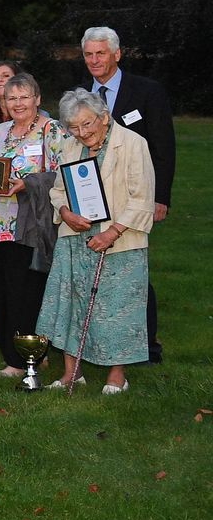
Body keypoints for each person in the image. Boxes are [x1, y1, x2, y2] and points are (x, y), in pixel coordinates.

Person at [38, 88, 155, 395]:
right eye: (74, 127)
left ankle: (117, 375)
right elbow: (57, 190)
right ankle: (71, 373)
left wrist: (111, 232)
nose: (82, 132)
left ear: (104, 117)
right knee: (71, 303)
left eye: (87, 124)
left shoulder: (132, 143)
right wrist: (65, 212)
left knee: (118, 308)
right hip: (75, 237)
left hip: (119, 240)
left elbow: (142, 197)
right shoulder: (70, 147)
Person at [80, 25, 174, 364]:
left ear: (117, 54)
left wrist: (159, 198)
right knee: (96, 272)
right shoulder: (80, 96)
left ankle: (146, 347)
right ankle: (98, 343)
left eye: (100, 53)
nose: (94, 60)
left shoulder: (147, 92)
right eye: (89, 54)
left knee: (135, 275)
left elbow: (164, 148)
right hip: (90, 201)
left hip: (133, 199)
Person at [0, 73, 66, 377]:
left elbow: (64, 174)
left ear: (38, 99)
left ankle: (23, 359)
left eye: (24, 96)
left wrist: (28, 184)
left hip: (28, 228)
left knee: (24, 294)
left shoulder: (52, 132)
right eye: (11, 97)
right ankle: (13, 353)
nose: (17, 103)